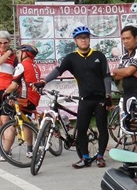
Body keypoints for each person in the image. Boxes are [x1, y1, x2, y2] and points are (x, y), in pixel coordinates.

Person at [43, 25, 112, 168]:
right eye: (80, 38)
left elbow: (106, 76)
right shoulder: (71, 58)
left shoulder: (99, 55)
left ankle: (100, 156)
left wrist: (108, 95)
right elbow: (58, 70)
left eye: (86, 37)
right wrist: (43, 82)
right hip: (84, 99)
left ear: (89, 39)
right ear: (75, 41)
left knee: (102, 128)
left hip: (100, 99)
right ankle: (85, 157)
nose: (83, 40)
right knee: (81, 129)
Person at [0, 44, 43, 161]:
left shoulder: (22, 65)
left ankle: (5, 153)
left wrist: (5, 94)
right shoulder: (35, 66)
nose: (17, 55)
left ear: (25, 53)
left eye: (19, 53)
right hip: (33, 100)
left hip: (24, 99)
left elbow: (13, 85)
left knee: (12, 124)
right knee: (26, 121)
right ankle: (30, 150)